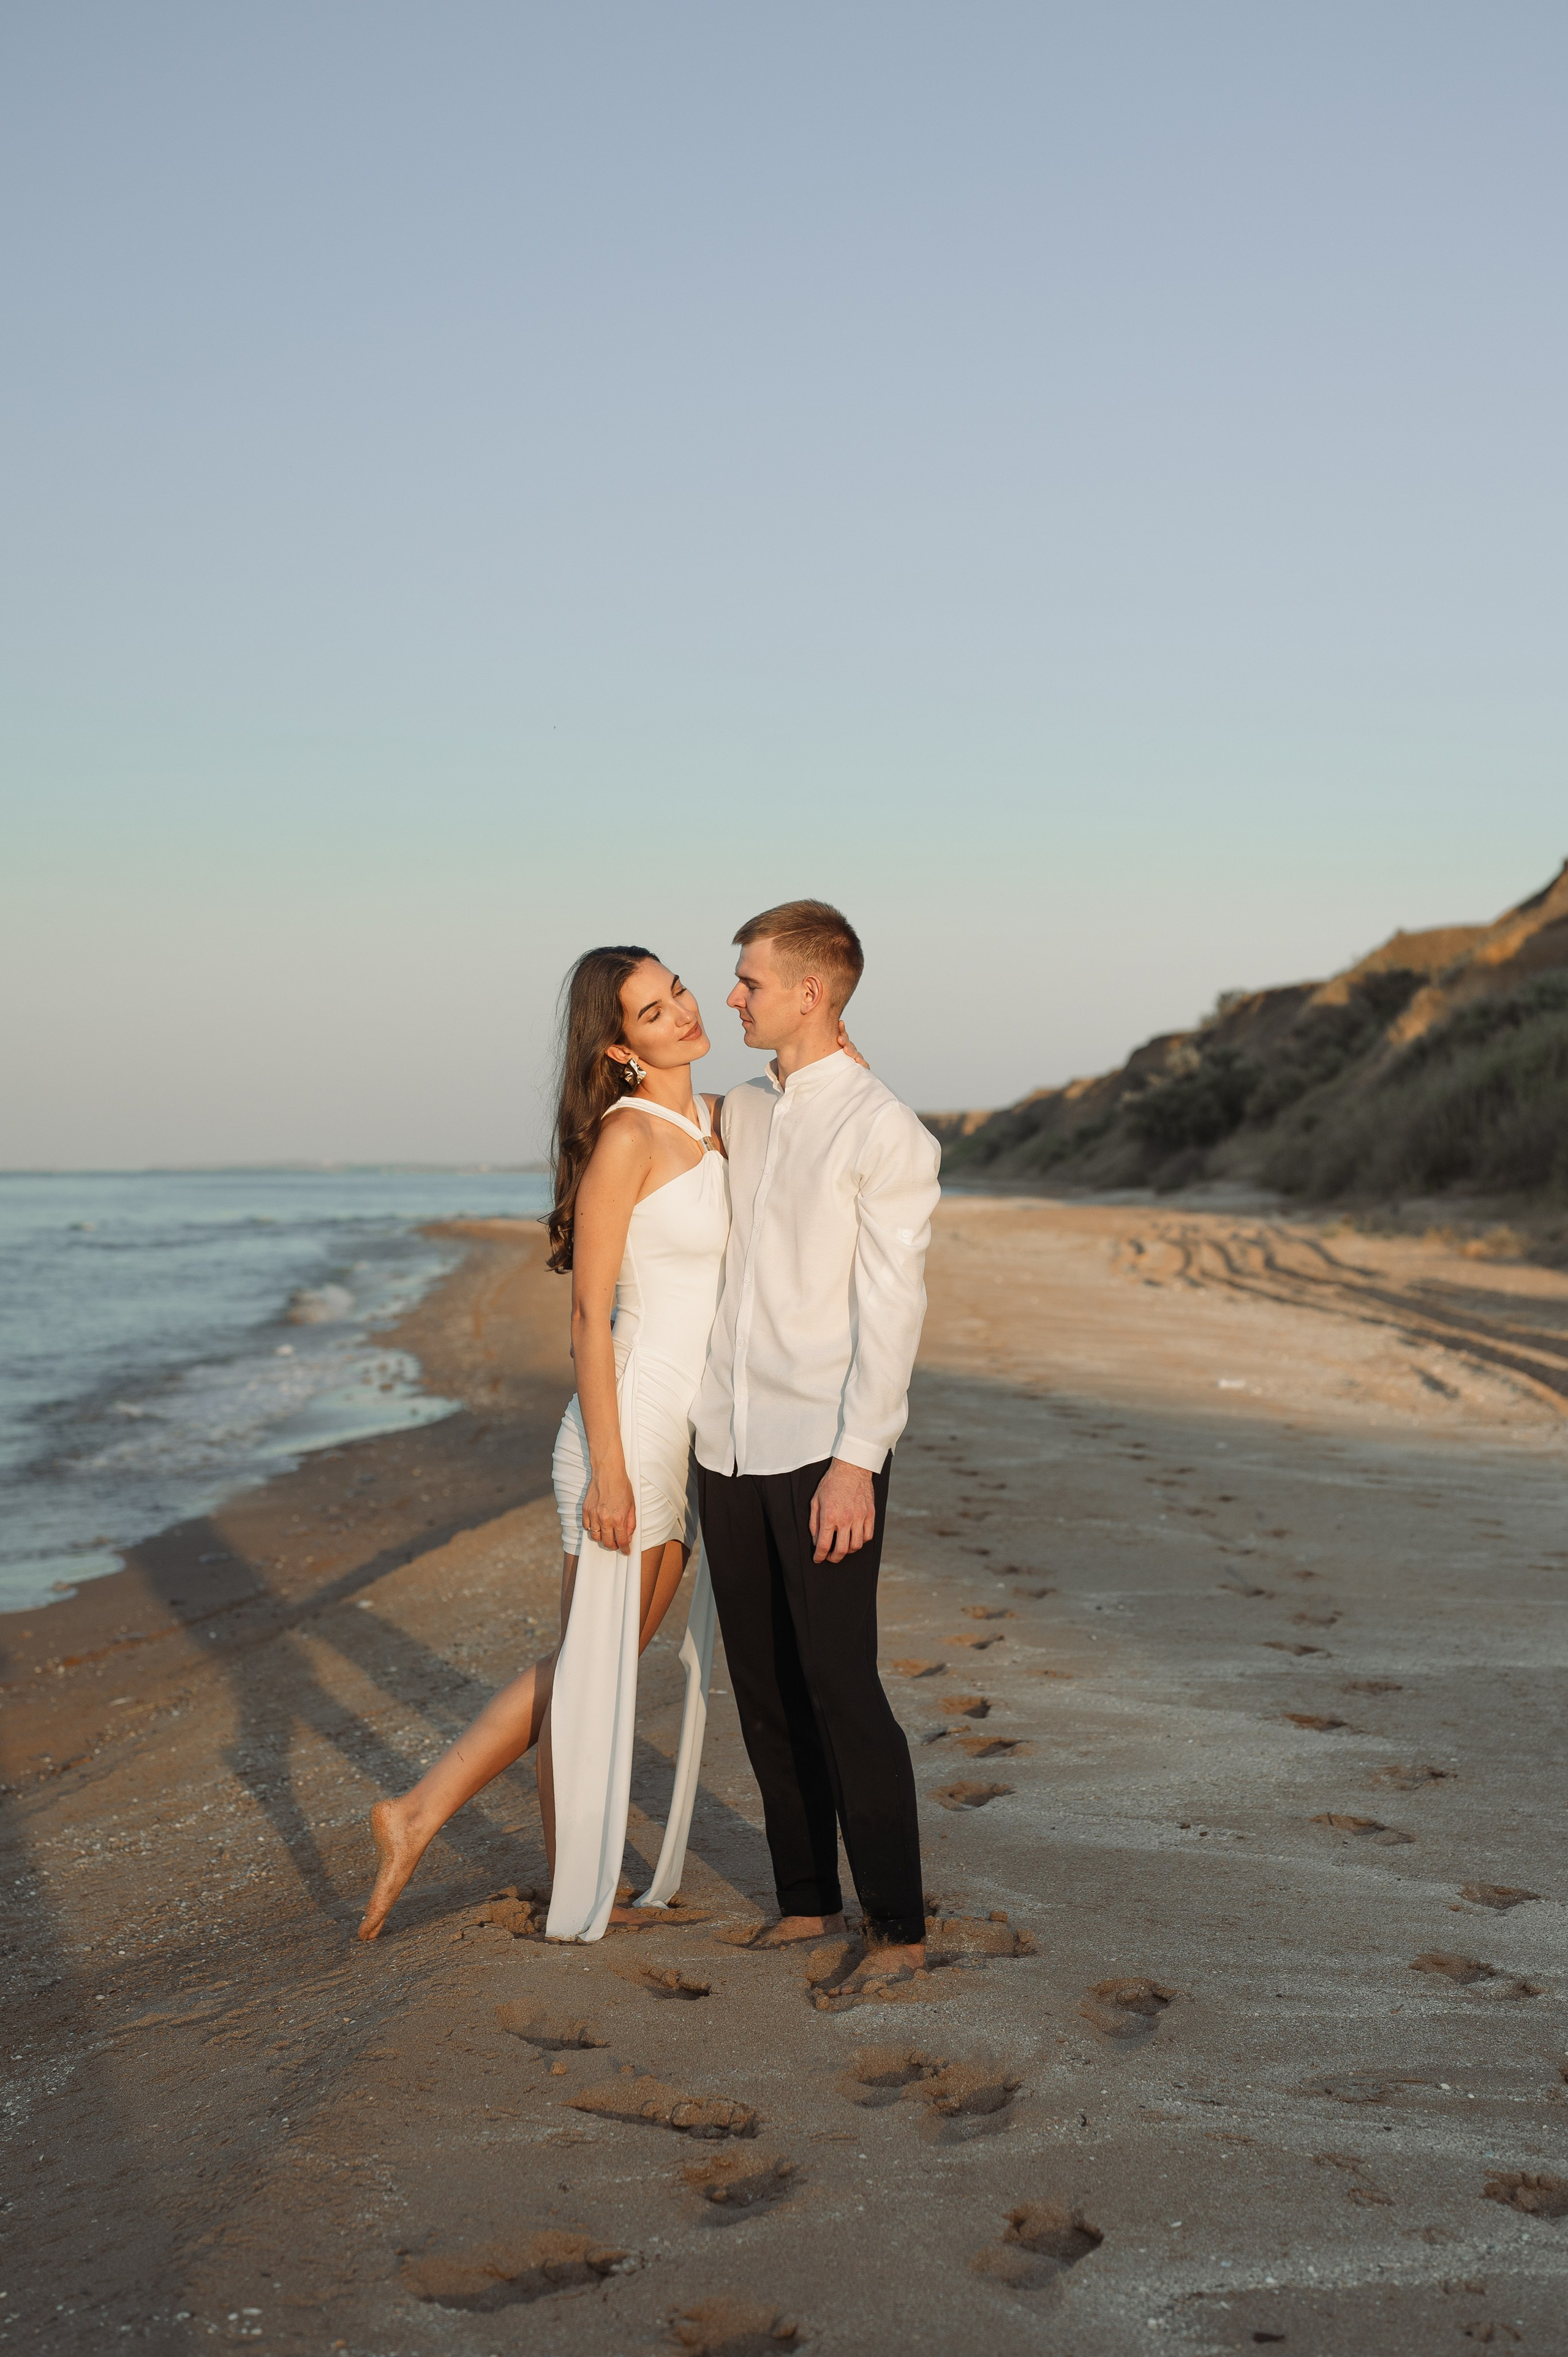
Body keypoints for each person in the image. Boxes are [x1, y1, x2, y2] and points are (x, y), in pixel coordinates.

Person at [358, 945, 728, 1942]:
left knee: (601, 1664)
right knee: (590, 1668)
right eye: (653, 1012)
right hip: (627, 1429)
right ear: (618, 1049)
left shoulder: (714, 1119)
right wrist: (608, 1470)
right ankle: (554, 1880)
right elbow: (585, 1318)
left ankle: (425, 1815)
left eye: (678, 990)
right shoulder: (629, 1137)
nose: (683, 1013)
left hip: (678, 1436)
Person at [693, 899, 941, 1997]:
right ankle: (805, 1899)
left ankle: (898, 1928)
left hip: (823, 1450)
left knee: (842, 1685)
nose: (732, 997)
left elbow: (893, 1311)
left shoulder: (886, 1131)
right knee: (762, 1684)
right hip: (726, 1441)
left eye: (749, 981)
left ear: (809, 992)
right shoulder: (745, 1109)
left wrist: (857, 1463)